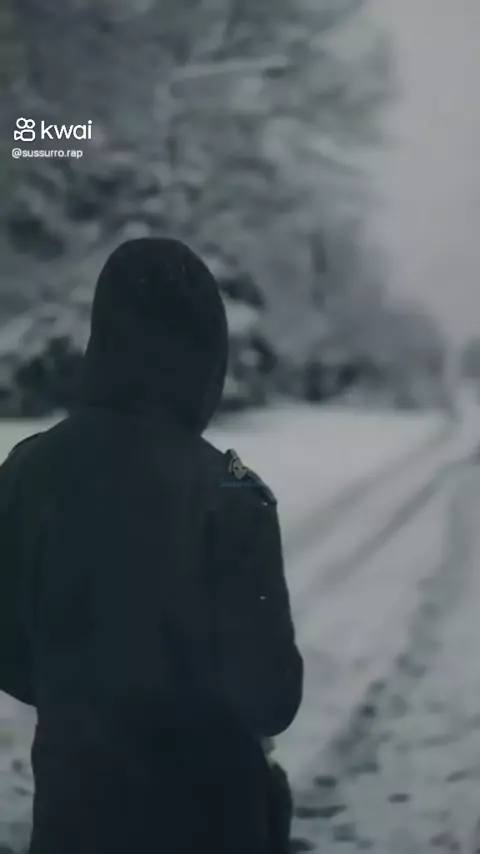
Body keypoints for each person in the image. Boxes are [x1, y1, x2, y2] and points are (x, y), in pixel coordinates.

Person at [0, 237, 303, 854]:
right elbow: (270, 697)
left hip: (73, 822)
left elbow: (8, 650)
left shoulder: (25, 472)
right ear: (205, 357)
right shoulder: (229, 492)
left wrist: (86, 702)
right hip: (213, 826)